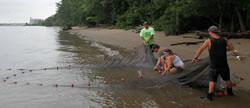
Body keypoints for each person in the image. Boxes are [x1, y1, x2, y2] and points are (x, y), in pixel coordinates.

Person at [192, 25, 234, 101]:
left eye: (209, 32)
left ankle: (209, 96)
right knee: (227, 79)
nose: (209, 33)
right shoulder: (224, 39)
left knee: (212, 80)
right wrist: (224, 49)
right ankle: (230, 92)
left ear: (211, 32)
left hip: (214, 65)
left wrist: (195, 57)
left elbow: (200, 49)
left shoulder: (208, 41)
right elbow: (231, 48)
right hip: (224, 64)